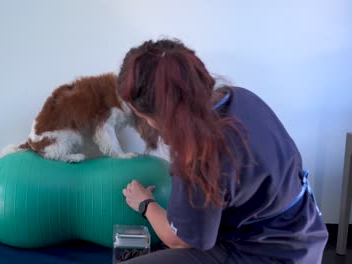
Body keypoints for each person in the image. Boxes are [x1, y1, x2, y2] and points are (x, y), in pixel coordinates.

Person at [118, 39, 328, 264]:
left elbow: (179, 240)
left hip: (270, 254)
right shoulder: (242, 97)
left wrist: (145, 203)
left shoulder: (197, 157)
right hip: (305, 233)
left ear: (151, 116)